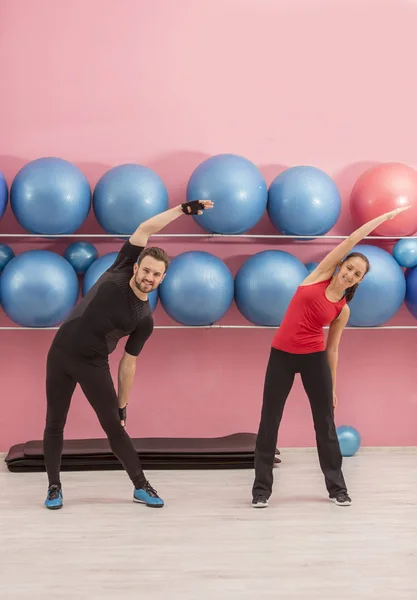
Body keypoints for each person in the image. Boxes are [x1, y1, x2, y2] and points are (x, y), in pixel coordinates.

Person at [43, 199, 213, 510]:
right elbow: (146, 228)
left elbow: (128, 363)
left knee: (114, 428)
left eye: (156, 275)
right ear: (136, 266)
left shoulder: (144, 319)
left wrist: (122, 404)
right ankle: (54, 487)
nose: (149, 277)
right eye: (147, 269)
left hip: (93, 365)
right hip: (60, 354)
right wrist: (181, 210)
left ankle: (140, 485)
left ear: (162, 280)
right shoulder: (122, 265)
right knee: (55, 423)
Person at [251, 205, 410, 508]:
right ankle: (261, 491)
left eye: (357, 274)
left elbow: (332, 349)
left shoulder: (343, 309)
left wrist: (332, 386)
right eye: (349, 267)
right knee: (269, 421)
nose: (350, 274)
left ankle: (337, 488)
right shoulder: (318, 276)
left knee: (324, 423)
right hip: (281, 357)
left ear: (359, 280)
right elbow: (351, 240)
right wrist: (383, 219)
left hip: (313, 360)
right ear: (340, 267)